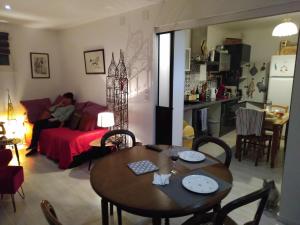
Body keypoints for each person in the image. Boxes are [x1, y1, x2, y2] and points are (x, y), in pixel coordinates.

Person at [26, 92, 75, 157]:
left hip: (57, 121)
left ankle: (33, 147)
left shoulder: (71, 107)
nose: (64, 100)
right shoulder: (61, 105)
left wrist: (55, 118)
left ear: (70, 99)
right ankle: (34, 146)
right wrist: (58, 105)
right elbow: (50, 110)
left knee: (38, 125)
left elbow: (65, 117)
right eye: (64, 98)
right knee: (37, 124)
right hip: (50, 119)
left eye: (66, 98)